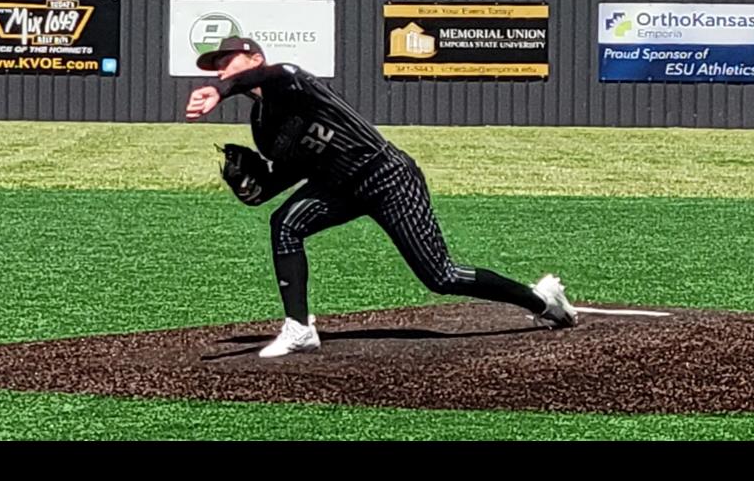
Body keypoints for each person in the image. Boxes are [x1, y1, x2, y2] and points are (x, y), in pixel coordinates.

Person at [184, 36, 578, 357]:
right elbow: (285, 177)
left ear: (254, 57)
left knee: (441, 277)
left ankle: (540, 299)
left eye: (226, 60)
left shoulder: (289, 78)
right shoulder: (262, 125)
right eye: (214, 67)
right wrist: (250, 188)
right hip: (339, 187)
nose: (220, 70)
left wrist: (221, 90)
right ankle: (299, 328)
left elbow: (267, 76)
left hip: (386, 175)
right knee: (284, 224)